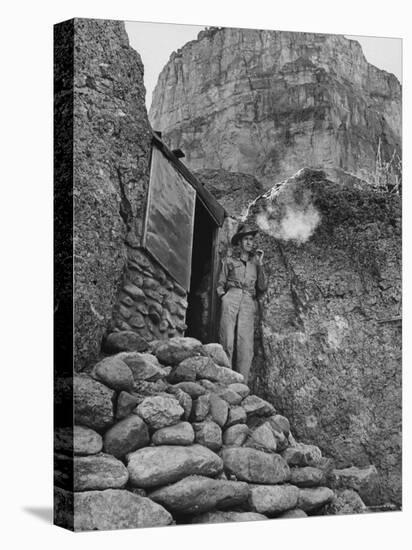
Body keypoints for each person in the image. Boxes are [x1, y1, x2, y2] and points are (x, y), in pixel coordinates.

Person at [217, 224, 267, 383]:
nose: (249, 242)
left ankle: (241, 383)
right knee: (227, 337)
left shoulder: (255, 263)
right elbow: (220, 283)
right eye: (246, 239)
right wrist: (224, 297)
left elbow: (262, 287)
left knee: (245, 342)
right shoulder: (229, 260)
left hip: (248, 300)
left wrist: (260, 265)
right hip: (232, 295)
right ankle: (226, 377)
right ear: (239, 242)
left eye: (251, 240)